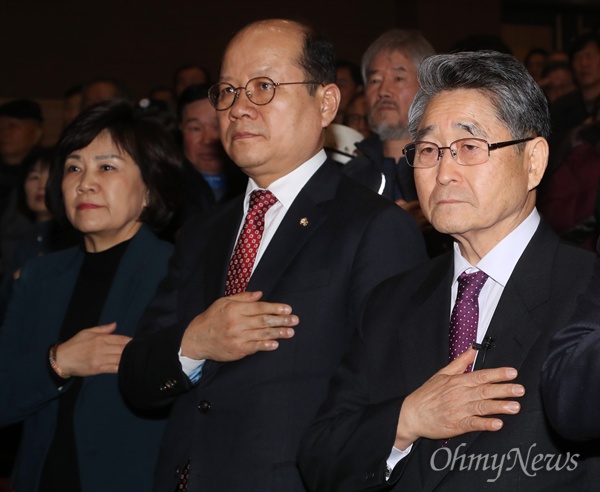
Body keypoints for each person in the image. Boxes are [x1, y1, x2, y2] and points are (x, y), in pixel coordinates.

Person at [118, 18, 427, 492]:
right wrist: (193, 344)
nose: (239, 108)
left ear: (325, 102)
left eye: (263, 87)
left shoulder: (375, 227)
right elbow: (137, 377)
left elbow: (385, 403)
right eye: (226, 91)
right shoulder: (202, 232)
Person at [298, 51, 600, 491]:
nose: (443, 173)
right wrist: (408, 419)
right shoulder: (392, 301)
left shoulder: (586, 286)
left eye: (469, 147)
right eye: (428, 150)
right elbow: (319, 457)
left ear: (533, 160)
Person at [0, 101, 181, 492]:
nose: (85, 182)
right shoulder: (38, 275)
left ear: (149, 189)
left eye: (107, 167)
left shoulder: (178, 274)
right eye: (74, 168)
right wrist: (58, 362)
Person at [176, 83, 246, 224]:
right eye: (195, 128)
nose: (208, 139)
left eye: (217, 126)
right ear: (181, 129)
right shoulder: (165, 191)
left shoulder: (254, 184)